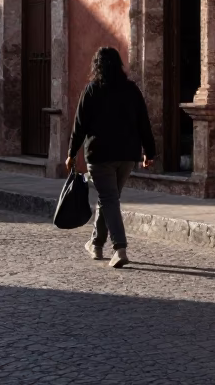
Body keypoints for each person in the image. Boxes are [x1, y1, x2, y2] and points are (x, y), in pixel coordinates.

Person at [65, 47, 155, 269]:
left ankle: (119, 248)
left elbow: (79, 126)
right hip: (127, 155)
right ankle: (96, 244)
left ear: (97, 66)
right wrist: (149, 151)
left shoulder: (92, 90)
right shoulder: (131, 90)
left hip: (100, 154)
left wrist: (71, 153)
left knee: (109, 199)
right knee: (110, 198)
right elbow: (143, 121)